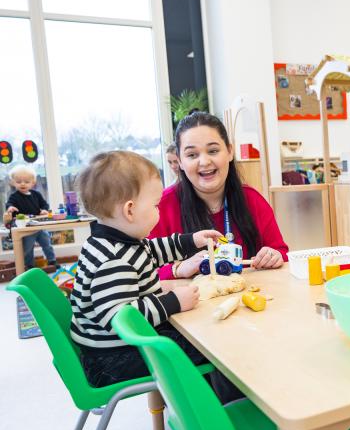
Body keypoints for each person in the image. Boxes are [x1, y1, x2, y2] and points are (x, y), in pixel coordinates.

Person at [69, 151, 240, 401]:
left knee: (203, 333)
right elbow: (120, 319)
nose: (159, 210)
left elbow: (154, 250)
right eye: (156, 205)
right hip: (114, 361)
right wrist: (172, 302)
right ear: (130, 210)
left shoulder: (123, 241)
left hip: (118, 351)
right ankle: (222, 409)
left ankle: (209, 399)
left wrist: (191, 240)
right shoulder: (113, 260)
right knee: (214, 346)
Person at [150, 112, 288, 279]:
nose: (204, 161)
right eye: (192, 155)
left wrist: (274, 256)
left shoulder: (252, 199)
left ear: (229, 152)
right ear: (179, 161)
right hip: (191, 304)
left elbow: (282, 253)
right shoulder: (161, 207)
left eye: (213, 150)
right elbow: (140, 270)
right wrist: (176, 269)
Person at [5, 165, 56, 268]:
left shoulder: (36, 194)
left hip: (39, 225)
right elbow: (9, 204)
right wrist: (10, 208)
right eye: (19, 182)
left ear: (33, 183)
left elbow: (44, 204)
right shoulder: (14, 197)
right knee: (28, 248)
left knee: (47, 243)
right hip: (26, 227)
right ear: (13, 182)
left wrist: (44, 210)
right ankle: (29, 265)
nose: (22, 184)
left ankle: (52, 261)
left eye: (26, 182)